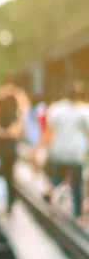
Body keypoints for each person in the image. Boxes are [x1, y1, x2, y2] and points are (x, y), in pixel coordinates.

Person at [42, 81, 89, 218]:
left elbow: (50, 131)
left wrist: (44, 147)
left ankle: (50, 190)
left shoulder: (56, 108)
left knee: (58, 176)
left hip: (59, 150)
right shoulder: (84, 109)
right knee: (76, 182)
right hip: (76, 151)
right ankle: (77, 212)